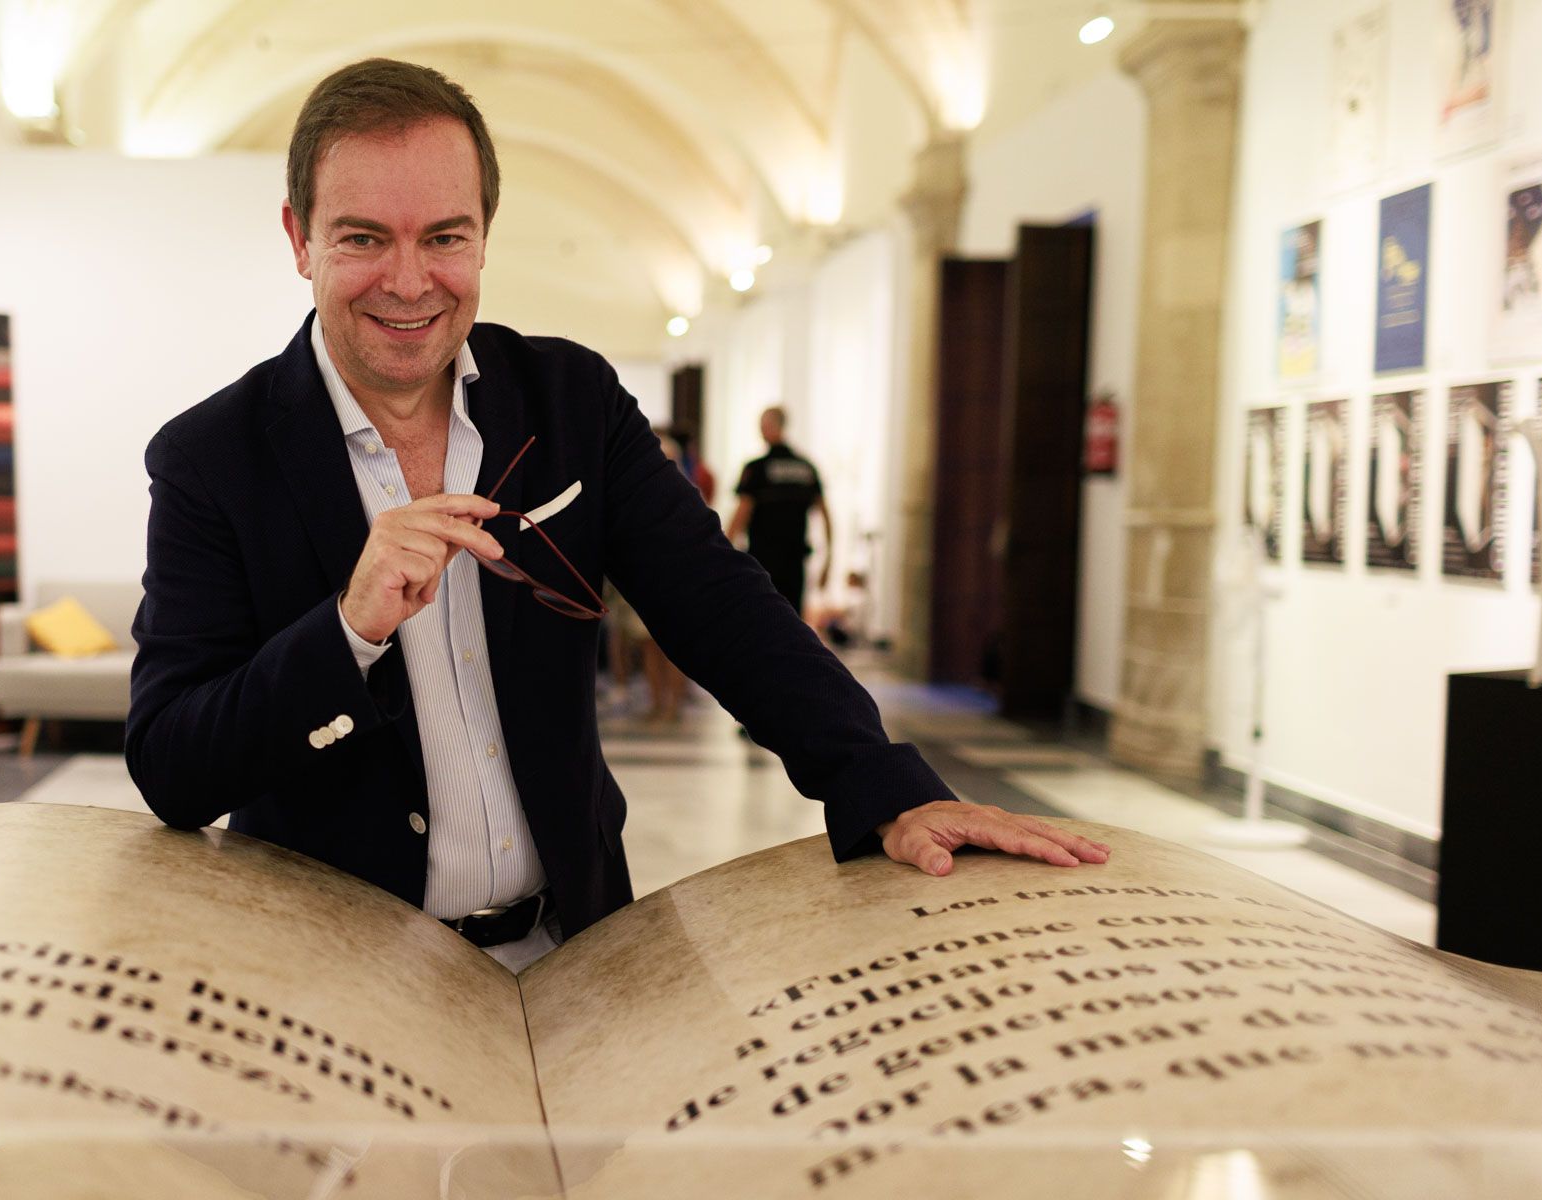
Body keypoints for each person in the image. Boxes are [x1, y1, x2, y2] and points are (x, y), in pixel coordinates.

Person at [124, 59, 1109, 971]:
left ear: (483, 236)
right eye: (362, 238)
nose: (411, 280)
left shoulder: (571, 403)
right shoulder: (213, 457)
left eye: (445, 237)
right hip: (342, 978)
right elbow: (172, 766)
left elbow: (720, 605)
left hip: (574, 954)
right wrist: (349, 630)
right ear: (299, 238)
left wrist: (883, 785)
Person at [729, 406, 830, 618]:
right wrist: (829, 558)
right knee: (791, 621)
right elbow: (826, 515)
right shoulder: (806, 468)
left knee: (760, 620)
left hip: (762, 560)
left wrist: (725, 553)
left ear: (769, 426)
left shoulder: (757, 469)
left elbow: (741, 514)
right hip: (795, 562)